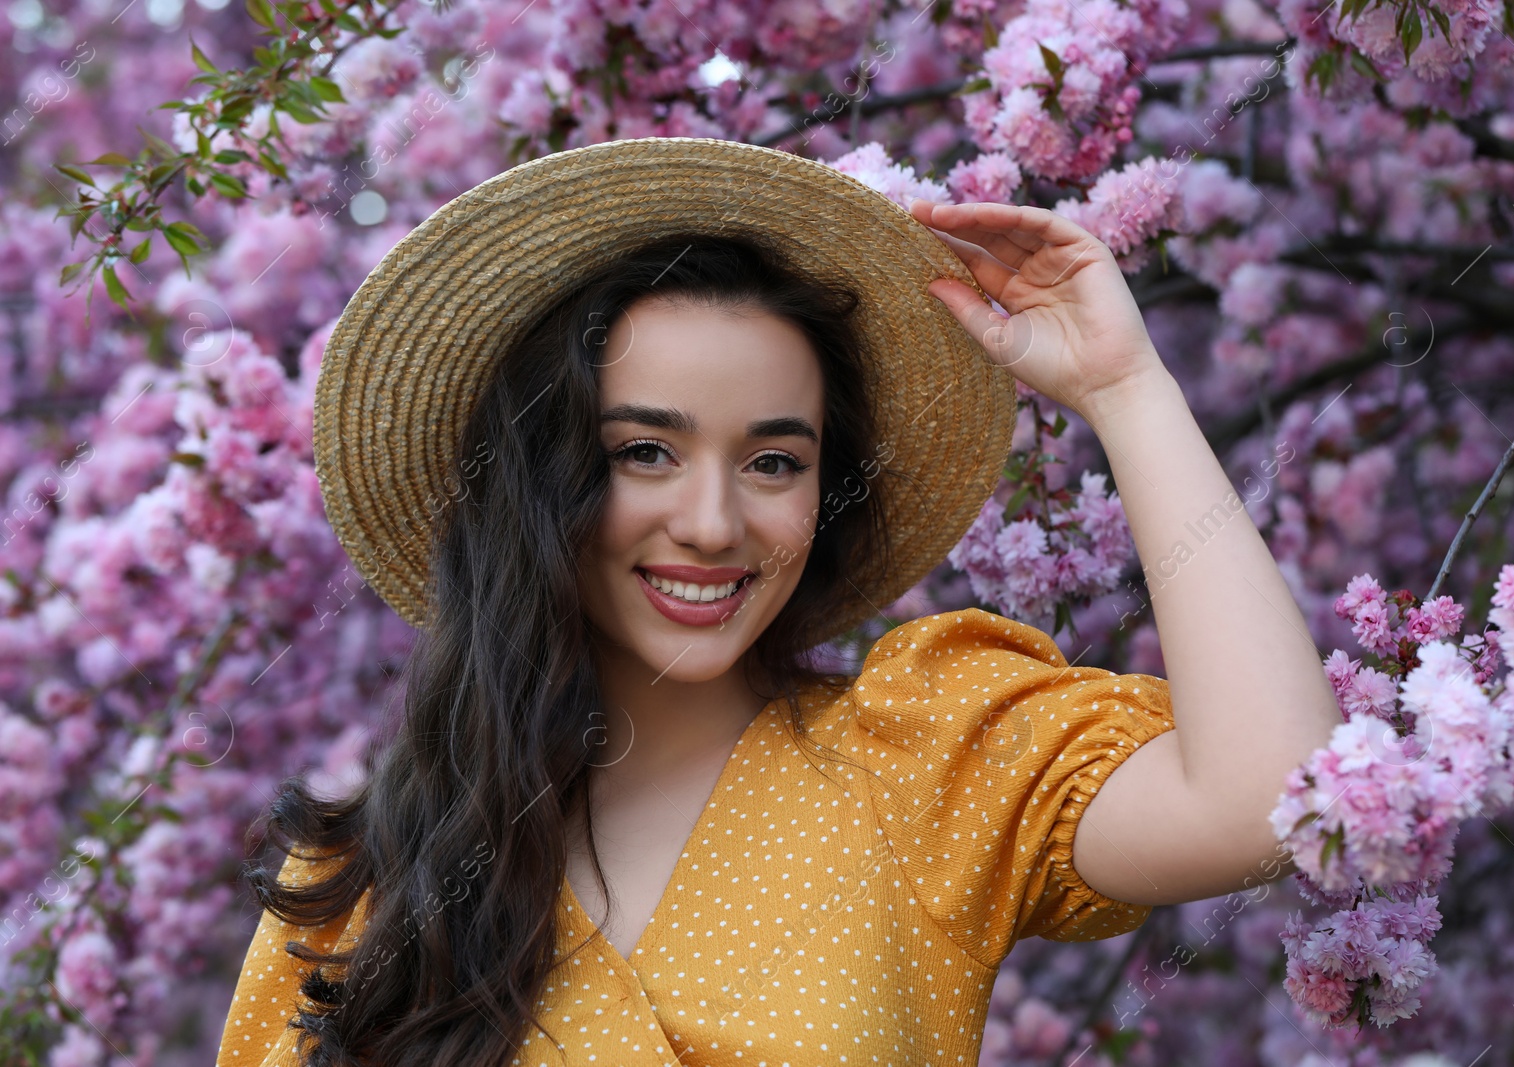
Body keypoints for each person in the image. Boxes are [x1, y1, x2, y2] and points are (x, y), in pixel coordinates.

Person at [215, 137, 1341, 1067]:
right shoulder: (358, 885)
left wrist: (1124, 389)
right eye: (645, 450)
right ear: (538, 479)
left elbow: (1271, 797)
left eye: (772, 461)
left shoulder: (924, 755)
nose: (713, 521)